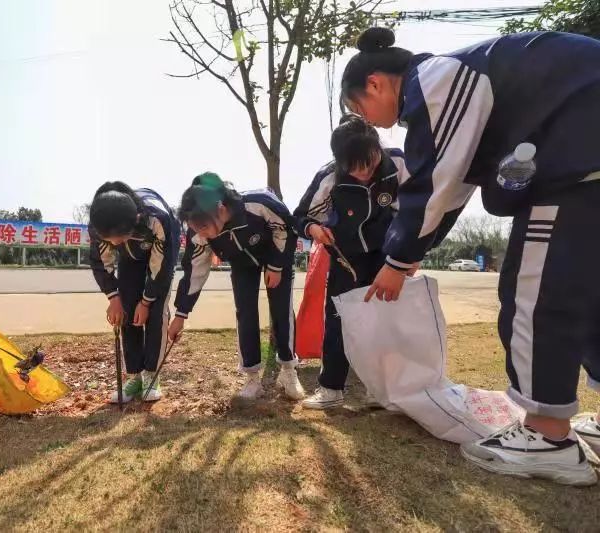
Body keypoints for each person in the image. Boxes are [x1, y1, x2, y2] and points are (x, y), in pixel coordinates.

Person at [340, 26, 600, 485]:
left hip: (573, 167)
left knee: (535, 295)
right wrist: (415, 249)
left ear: (377, 83)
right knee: (592, 296)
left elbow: (438, 179)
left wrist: (398, 260)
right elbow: (454, 181)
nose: (372, 124)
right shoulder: (461, 76)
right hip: (584, 160)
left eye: (359, 109)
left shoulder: (436, 78)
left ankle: (547, 437)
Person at [294, 115, 414, 409]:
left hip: (387, 258)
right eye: (353, 168)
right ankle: (331, 389)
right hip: (345, 258)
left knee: (385, 322)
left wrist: (409, 255)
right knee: (339, 321)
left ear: (378, 149)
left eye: (369, 165)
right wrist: (314, 230)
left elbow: (418, 208)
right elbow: (300, 216)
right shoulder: (330, 177)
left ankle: (381, 391)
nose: (362, 174)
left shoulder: (399, 164)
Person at [168, 173, 304, 400]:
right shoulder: (198, 231)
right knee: (245, 313)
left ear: (220, 209)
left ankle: (289, 370)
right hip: (242, 265)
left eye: (203, 227)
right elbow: (195, 271)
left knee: (281, 309)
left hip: (276, 255)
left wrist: (277, 266)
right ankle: (252, 378)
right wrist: (181, 314)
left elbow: (286, 228)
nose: (200, 234)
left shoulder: (259, 203)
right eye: (194, 228)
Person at [89, 182, 180, 403]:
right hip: (130, 260)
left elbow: (161, 269)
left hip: (159, 256)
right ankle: (135, 375)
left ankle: (151, 375)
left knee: (156, 310)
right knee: (127, 310)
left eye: (118, 238)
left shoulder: (157, 220)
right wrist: (114, 297)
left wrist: (147, 301)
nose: (113, 243)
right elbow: (100, 262)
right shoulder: (99, 223)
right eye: (109, 240)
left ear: (136, 220)